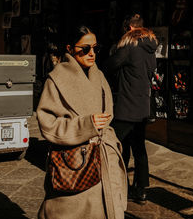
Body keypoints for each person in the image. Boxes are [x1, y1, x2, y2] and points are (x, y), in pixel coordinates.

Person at [36, 25, 127, 219]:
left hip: (104, 158)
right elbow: (47, 123)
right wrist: (85, 125)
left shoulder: (99, 75)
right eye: (85, 49)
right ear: (70, 49)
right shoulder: (56, 80)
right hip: (76, 162)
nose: (92, 53)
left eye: (95, 48)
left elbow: (107, 113)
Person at [104, 14, 157, 202]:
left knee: (118, 146)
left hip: (126, 105)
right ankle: (141, 189)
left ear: (130, 28)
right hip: (143, 105)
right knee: (139, 147)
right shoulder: (150, 49)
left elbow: (110, 65)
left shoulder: (129, 46)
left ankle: (120, 184)